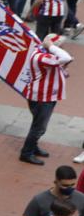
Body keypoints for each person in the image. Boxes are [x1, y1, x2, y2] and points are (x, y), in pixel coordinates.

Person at [21, 35, 74, 165]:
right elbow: (65, 57)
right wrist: (51, 46)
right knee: (39, 127)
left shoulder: (44, 54)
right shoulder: (41, 56)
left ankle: (33, 146)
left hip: (46, 97)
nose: (62, 48)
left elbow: (59, 69)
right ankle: (26, 153)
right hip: (41, 98)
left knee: (38, 125)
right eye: (59, 46)